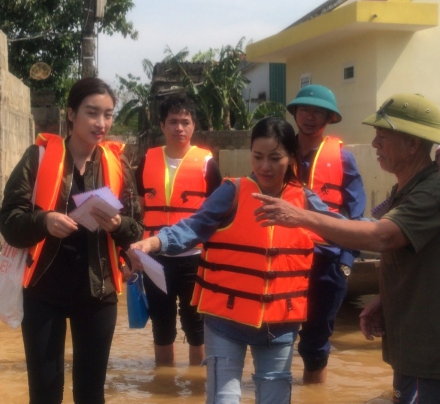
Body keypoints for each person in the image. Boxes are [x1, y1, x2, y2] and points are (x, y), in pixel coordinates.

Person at [255, 93, 440, 404]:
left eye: (383, 137)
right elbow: (416, 260)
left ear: (412, 144)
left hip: (432, 343)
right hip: (410, 336)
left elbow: (381, 237)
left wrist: (300, 216)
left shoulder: (434, 191)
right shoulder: (406, 189)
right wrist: (384, 300)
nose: (374, 145)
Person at [129, 117, 333, 404]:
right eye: (258, 156)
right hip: (226, 319)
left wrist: (387, 231)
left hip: (280, 323)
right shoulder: (232, 191)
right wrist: (153, 242)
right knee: (223, 398)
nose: (265, 166)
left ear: (291, 157)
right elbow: (193, 227)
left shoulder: (306, 202)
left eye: (275, 158)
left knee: (274, 396)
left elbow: (342, 229)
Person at [0, 77, 144, 404]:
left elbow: (137, 228)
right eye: (92, 113)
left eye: (108, 115)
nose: (101, 123)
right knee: (45, 393)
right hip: (43, 291)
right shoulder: (37, 158)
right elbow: (8, 222)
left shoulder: (116, 164)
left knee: (91, 394)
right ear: (71, 114)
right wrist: (43, 221)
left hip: (98, 292)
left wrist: (118, 224)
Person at [285, 85, 365, 384]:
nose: (309, 116)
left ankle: (314, 391)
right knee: (275, 335)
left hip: (327, 260)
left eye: (317, 111)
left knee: (315, 341)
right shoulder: (278, 152)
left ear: (330, 118)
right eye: (304, 110)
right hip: (284, 256)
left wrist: (346, 261)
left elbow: (356, 216)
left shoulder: (343, 158)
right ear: (295, 113)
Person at [135, 96, 222, 367]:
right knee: (161, 322)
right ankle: (166, 385)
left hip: (194, 256)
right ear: (162, 125)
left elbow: (216, 214)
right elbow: (140, 209)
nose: (179, 128)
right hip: (154, 256)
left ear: (194, 126)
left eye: (185, 122)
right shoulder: (146, 160)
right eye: (173, 122)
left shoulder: (208, 164)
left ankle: (198, 384)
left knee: (195, 322)